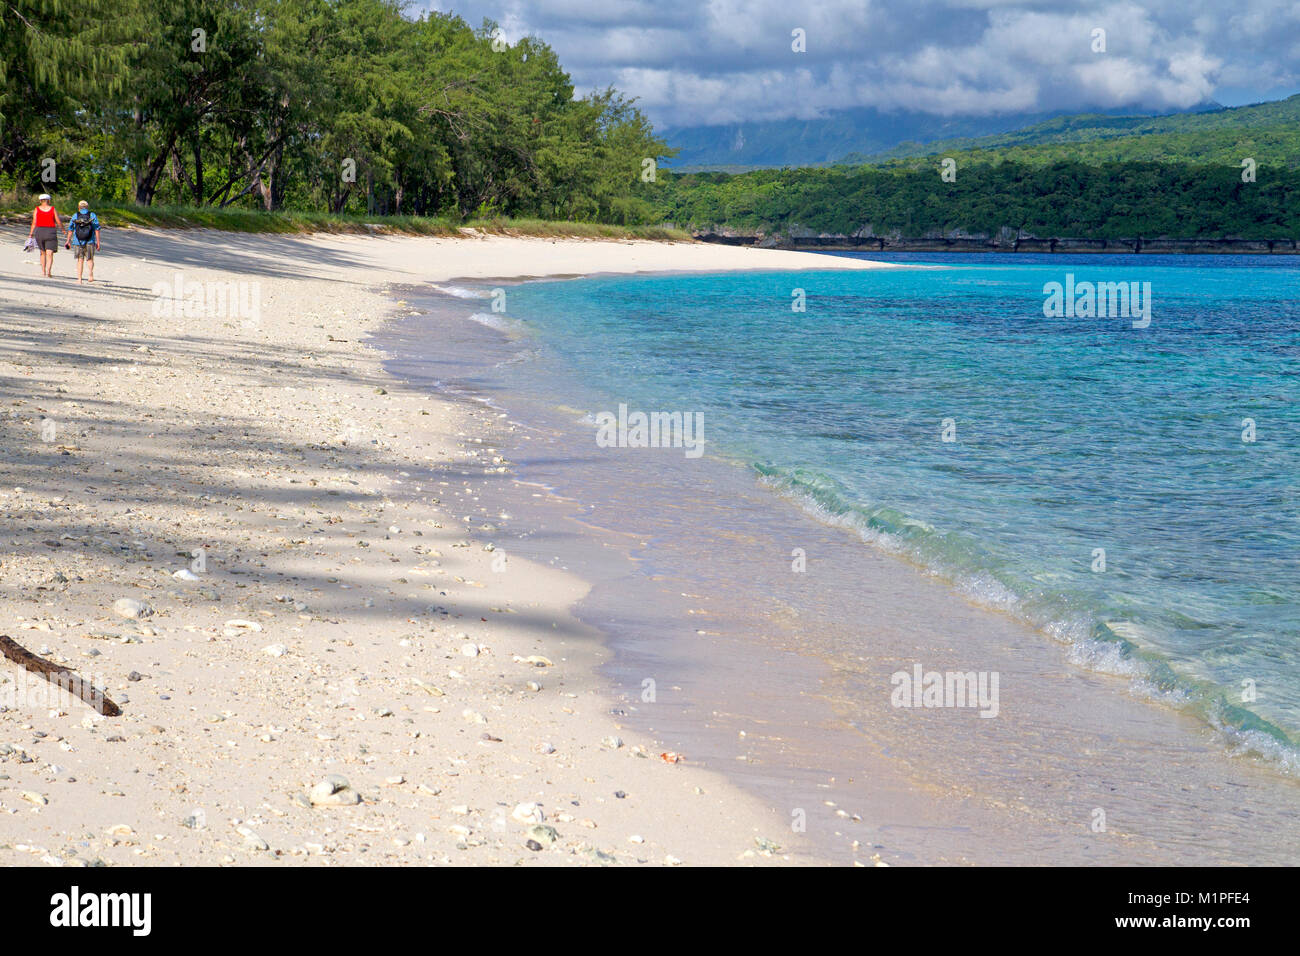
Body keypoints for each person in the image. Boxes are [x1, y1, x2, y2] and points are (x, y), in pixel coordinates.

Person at [65, 200, 101, 283]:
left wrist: (68, 241)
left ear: (79, 207)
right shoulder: (92, 215)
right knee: (90, 259)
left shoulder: (75, 215)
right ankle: (90, 275)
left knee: (80, 260)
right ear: (87, 207)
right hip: (90, 240)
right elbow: (97, 229)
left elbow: (70, 229)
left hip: (78, 241)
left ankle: (79, 279)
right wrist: (98, 242)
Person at [27, 194, 62, 277]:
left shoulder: (37, 209)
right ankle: (49, 271)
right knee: (50, 253)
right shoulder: (53, 209)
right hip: (51, 232)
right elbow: (58, 221)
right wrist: (63, 230)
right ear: (49, 201)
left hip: (39, 231)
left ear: (40, 201)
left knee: (42, 253)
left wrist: (31, 234)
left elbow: (34, 222)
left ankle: (43, 271)